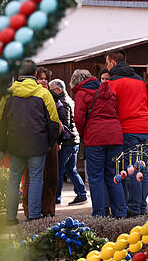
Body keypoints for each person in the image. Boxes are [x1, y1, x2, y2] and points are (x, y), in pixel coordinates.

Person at [0, 59, 61, 225]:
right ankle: (33, 215)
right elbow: (53, 122)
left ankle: (10, 217)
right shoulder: (44, 93)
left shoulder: (8, 94)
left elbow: (0, 122)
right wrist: (50, 142)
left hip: (15, 144)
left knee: (14, 179)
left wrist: (2, 145)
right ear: (35, 74)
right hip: (38, 144)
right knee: (36, 179)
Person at [71, 69, 127, 218]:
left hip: (95, 138)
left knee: (96, 177)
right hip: (115, 136)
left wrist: (83, 134)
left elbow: (79, 119)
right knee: (113, 175)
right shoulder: (109, 91)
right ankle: (120, 213)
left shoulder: (82, 93)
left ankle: (99, 214)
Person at [105, 49, 148, 217]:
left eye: (107, 63)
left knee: (131, 170)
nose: (107, 67)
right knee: (142, 169)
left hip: (128, 129)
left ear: (113, 63)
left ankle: (133, 209)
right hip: (145, 128)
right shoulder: (140, 80)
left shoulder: (113, 83)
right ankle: (142, 207)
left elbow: (110, 108)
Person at [21, 65, 60, 218]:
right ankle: (31, 210)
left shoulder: (52, 96)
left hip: (51, 141)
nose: (43, 81)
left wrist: (56, 140)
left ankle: (48, 208)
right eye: (40, 78)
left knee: (51, 176)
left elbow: (58, 119)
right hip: (35, 141)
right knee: (32, 177)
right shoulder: (29, 96)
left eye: (45, 79)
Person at [49, 78, 88, 206]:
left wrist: (59, 141)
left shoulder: (62, 102)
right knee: (71, 170)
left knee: (59, 170)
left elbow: (64, 124)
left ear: (59, 90)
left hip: (67, 142)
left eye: (51, 89)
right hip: (74, 140)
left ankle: (56, 198)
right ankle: (82, 194)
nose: (49, 92)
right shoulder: (70, 100)